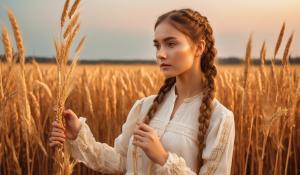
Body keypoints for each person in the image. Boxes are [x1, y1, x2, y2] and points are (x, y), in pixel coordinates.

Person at [49, 8, 235, 175]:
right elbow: (121, 162)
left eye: (171, 44)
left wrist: (163, 158)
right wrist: (79, 136)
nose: (161, 54)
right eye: (157, 45)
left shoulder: (220, 119)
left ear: (199, 47)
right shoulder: (144, 107)